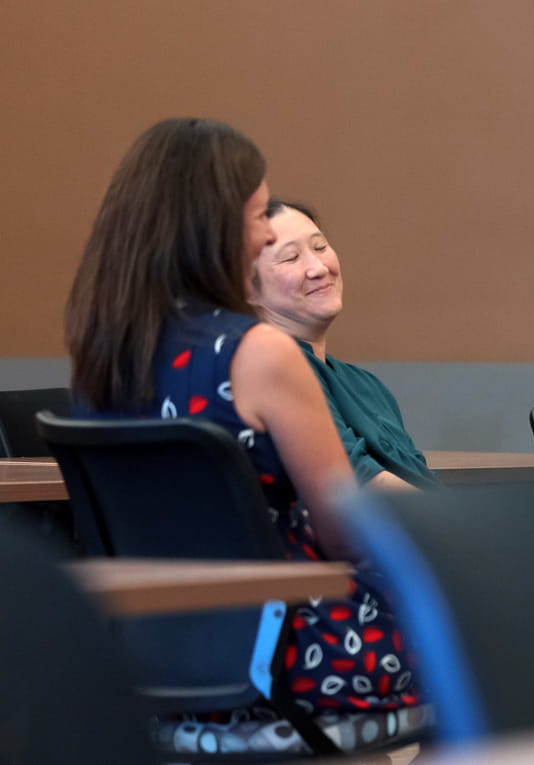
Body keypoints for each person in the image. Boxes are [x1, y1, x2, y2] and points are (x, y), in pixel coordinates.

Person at [63, 118, 422, 754]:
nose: (263, 232)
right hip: (297, 656)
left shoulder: (100, 361)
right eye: (258, 216)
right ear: (212, 230)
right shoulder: (260, 353)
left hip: (150, 661)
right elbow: (345, 529)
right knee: (512, 622)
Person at [254, 199, 438, 490]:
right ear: (248, 289)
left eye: (320, 247)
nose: (318, 268)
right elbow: (356, 485)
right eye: (291, 258)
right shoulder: (275, 370)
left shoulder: (368, 385)